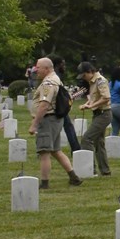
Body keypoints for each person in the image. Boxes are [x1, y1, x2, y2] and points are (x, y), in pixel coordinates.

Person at [28, 57, 82, 188]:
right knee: (56, 150)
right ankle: (74, 177)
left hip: (48, 120)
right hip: (55, 120)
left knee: (44, 152)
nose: (36, 70)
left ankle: (44, 183)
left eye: (38, 68)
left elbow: (44, 105)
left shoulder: (48, 83)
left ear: (46, 68)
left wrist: (34, 124)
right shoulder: (55, 79)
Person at [77, 62, 113, 176]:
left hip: (104, 114)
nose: (83, 78)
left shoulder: (100, 80)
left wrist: (91, 106)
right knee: (98, 142)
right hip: (98, 114)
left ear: (90, 71)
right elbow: (94, 97)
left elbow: (106, 97)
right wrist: (87, 104)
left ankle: (90, 170)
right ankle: (105, 171)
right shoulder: (92, 81)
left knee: (87, 139)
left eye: (84, 75)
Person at [51, 56, 83, 152]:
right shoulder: (55, 76)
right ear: (58, 65)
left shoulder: (56, 75)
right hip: (58, 107)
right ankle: (76, 148)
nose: (65, 67)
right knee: (66, 127)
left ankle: (76, 148)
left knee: (68, 126)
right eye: (63, 64)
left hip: (59, 106)